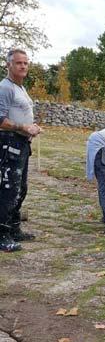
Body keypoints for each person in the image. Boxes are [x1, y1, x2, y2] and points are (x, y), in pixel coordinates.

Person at [0, 49, 41, 252]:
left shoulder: (20, 88)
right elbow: (0, 120)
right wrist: (22, 127)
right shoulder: (5, 88)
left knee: (21, 189)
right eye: (18, 63)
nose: (23, 66)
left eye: (26, 63)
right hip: (9, 142)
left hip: (22, 142)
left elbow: (21, 114)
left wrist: (31, 127)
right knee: (9, 189)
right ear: (9, 65)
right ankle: (2, 235)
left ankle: (14, 229)